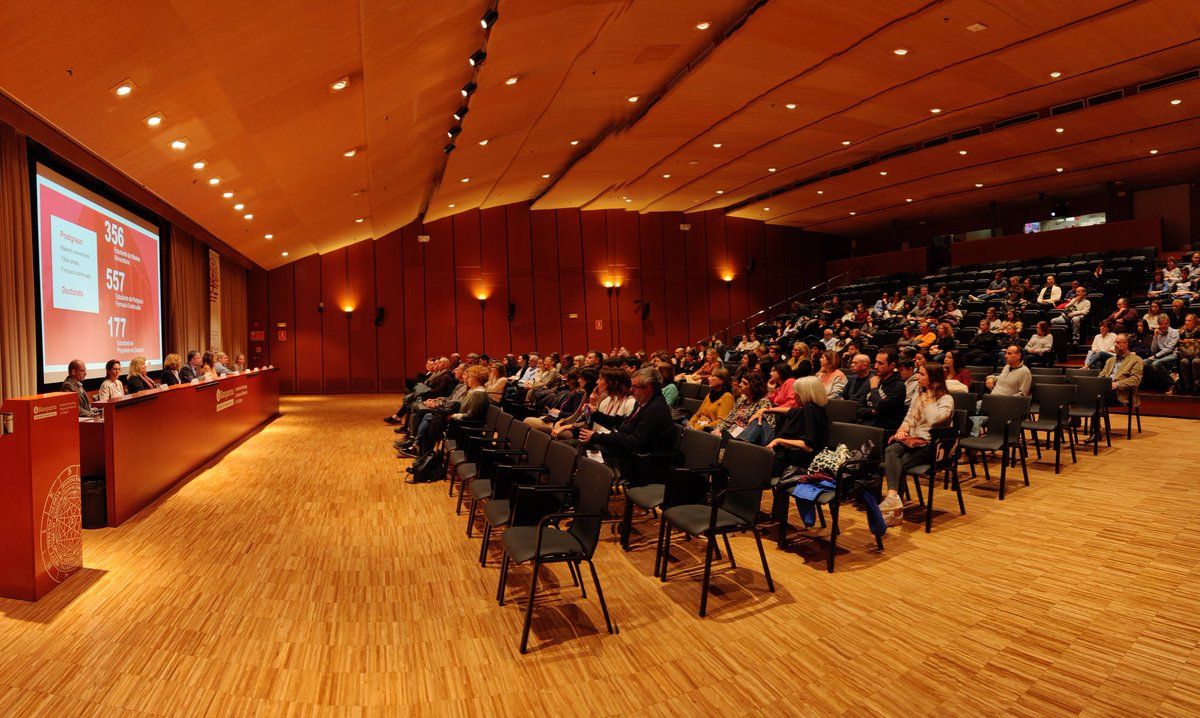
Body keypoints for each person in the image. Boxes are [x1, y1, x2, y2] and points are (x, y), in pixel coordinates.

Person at [878, 364, 954, 517]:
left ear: (932, 378)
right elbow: (909, 418)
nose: (917, 376)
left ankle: (896, 512)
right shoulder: (918, 395)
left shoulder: (946, 399)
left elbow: (934, 420)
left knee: (895, 464)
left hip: (931, 446)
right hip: (912, 441)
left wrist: (930, 397)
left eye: (921, 374)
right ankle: (893, 497)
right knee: (891, 450)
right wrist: (902, 430)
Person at [579, 367, 677, 482]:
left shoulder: (655, 409)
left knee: (588, 454)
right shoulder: (644, 403)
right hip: (628, 454)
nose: (631, 390)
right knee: (585, 448)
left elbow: (634, 441)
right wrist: (596, 414)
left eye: (635, 387)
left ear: (649, 387)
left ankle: (596, 485)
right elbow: (623, 423)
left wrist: (597, 437)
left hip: (642, 463)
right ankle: (591, 484)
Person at [762, 376, 829, 476]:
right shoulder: (817, 409)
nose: (794, 397)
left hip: (793, 461)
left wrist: (778, 441)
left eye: (796, 394)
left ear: (804, 395)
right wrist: (765, 410)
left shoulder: (809, 410)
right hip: (792, 457)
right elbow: (789, 410)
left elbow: (807, 446)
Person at [856, 349, 907, 434]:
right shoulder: (875, 380)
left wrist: (874, 388)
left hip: (882, 430)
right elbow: (858, 410)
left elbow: (879, 407)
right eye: (876, 362)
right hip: (865, 425)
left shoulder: (898, 386)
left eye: (880, 363)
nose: (875, 366)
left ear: (892, 365)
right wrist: (872, 411)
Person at [709, 372, 770, 438]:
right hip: (729, 433)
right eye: (741, 382)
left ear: (754, 387)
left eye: (745, 383)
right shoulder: (741, 400)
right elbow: (728, 419)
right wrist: (718, 429)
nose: (740, 385)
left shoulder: (764, 402)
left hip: (745, 438)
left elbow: (764, 428)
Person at [1099, 334, 1143, 417]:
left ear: (1126, 344)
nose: (1115, 345)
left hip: (1121, 393)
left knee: (1096, 397)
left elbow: (1135, 379)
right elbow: (1101, 375)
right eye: (1115, 342)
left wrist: (1117, 384)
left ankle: (1095, 425)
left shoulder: (1136, 360)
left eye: (1118, 343)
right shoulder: (1110, 360)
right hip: (1105, 389)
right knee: (1085, 392)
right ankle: (1076, 420)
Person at [1145, 314, 1180, 392]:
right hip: (1161, 356)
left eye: (1165, 323)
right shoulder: (1158, 333)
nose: (1163, 326)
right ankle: (1147, 386)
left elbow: (1169, 349)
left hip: (1173, 355)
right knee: (1143, 363)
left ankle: (1173, 385)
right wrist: (1155, 336)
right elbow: (1153, 350)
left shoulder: (1174, 332)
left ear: (1169, 323)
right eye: (1161, 324)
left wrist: (1155, 356)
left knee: (1156, 364)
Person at [1176, 314, 1200, 395]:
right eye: (1185, 320)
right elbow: (1178, 343)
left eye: (1189, 321)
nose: (1186, 322)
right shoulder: (1182, 332)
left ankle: (1197, 386)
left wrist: (1191, 340)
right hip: (1186, 354)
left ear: (1194, 323)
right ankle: (1187, 386)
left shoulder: (1199, 330)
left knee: (1196, 362)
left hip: (1198, 355)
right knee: (1184, 362)